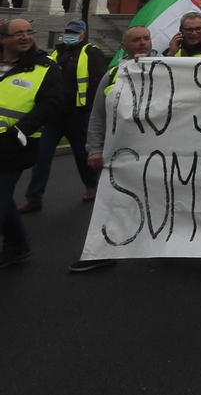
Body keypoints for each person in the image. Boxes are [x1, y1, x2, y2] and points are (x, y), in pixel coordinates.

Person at [70, 25, 152, 273]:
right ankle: (101, 251)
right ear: (124, 46)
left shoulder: (168, 67)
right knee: (113, 203)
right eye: (136, 39)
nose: (142, 43)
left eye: (146, 38)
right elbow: (98, 115)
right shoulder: (114, 74)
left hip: (159, 154)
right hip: (123, 154)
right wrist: (94, 148)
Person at [0, 18, 66, 268]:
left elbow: (51, 104)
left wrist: (18, 132)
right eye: (18, 34)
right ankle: (17, 245)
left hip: (13, 145)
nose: (25, 37)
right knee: (4, 199)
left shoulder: (45, 67)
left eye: (29, 32)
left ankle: (16, 246)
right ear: (3, 38)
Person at [22, 20, 106, 212]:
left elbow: (98, 83)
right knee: (41, 155)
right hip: (54, 115)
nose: (70, 34)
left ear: (83, 34)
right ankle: (33, 197)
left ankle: (92, 187)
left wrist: (88, 110)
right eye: (68, 31)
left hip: (77, 114)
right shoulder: (57, 53)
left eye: (74, 32)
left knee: (82, 154)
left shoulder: (90, 52)